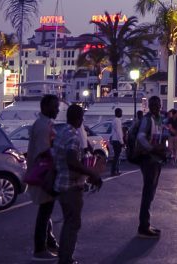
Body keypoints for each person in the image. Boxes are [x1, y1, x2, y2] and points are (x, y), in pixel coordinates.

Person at [52, 104, 104, 264]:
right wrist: (92, 173)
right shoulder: (73, 136)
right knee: (73, 223)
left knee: (69, 221)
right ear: (79, 119)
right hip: (71, 186)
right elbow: (72, 160)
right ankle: (66, 258)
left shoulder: (61, 133)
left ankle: (63, 256)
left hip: (61, 183)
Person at [27, 94, 59, 260]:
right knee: (45, 211)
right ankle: (40, 249)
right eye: (55, 106)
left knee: (47, 210)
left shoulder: (45, 124)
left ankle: (50, 242)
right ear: (45, 107)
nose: (58, 109)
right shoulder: (42, 127)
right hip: (44, 175)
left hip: (44, 173)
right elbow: (44, 153)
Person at [136, 96, 167, 237]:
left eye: (158, 104)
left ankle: (146, 224)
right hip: (149, 159)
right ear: (149, 106)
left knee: (151, 193)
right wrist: (151, 149)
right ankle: (144, 226)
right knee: (148, 192)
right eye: (154, 105)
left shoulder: (158, 119)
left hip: (156, 159)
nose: (157, 107)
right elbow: (141, 137)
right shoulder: (147, 119)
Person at [109, 107, 124, 176]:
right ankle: (114, 171)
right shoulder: (117, 120)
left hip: (115, 140)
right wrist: (122, 142)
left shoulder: (114, 120)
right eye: (121, 112)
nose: (122, 114)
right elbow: (118, 132)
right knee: (117, 156)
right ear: (118, 113)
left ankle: (116, 170)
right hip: (117, 140)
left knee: (116, 156)